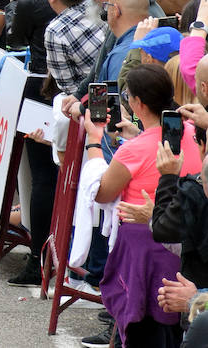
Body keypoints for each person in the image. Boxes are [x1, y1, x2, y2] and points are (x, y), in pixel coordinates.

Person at [83, 65, 185, 346]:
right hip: (188, 246)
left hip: (146, 250)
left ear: (138, 103)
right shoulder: (193, 135)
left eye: (127, 96)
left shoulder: (134, 149)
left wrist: (93, 142)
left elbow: (102, 192)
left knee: (143, 327)